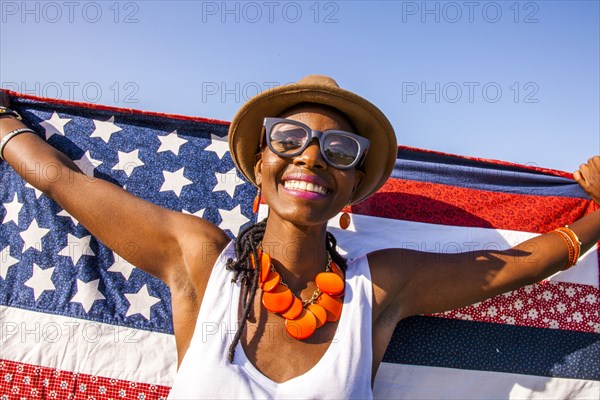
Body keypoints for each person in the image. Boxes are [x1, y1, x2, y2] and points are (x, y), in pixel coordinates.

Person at [0, 75, 598, 399]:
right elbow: (59, 180)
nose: (311, 158)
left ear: (353, 185)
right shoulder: (200, 258)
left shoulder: (380, 286)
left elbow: (526, 259)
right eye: (288, 140)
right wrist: (2, 122)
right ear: (261, 165)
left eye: (339, 151)